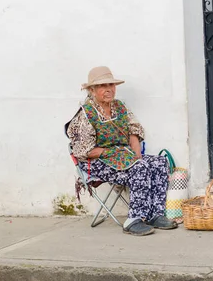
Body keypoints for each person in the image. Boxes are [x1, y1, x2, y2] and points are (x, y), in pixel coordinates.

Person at [66, 66, 177, 236]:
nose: (109, 89)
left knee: (159, 163)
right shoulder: (86, 114)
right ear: (92, 90)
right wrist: (118, 157)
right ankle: (134, 219)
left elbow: (134, 132)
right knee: (139, 168)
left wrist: (136, 156)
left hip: (123, 156)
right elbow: (85, 151)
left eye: (111, 85)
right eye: (103, 86)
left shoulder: (120, 107)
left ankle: (155, 214)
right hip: (97, 162)